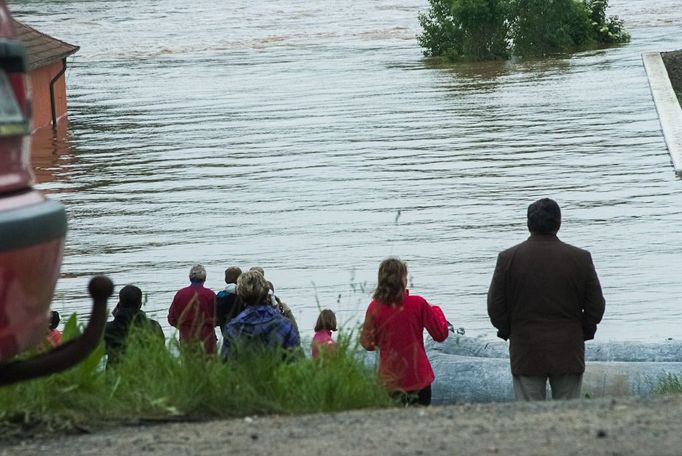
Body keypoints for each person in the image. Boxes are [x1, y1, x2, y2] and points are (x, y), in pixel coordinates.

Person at [487, 198, 606, 401]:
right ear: (558, 223)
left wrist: (511, 330)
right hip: (568, 349)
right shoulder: (580, 258)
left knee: (531, 420)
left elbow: (495, 308)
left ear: (528, 224)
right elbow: (596, 306)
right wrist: (581, 330)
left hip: (526, 349)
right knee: (569, 417)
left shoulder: (508, 258)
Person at [360, 257, 449, 406]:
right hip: (418, 377)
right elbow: (440, 334)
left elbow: (367, 344)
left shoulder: (374, 308)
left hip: (390, 379)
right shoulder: (418, 303)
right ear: (403, 280)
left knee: (395, 422)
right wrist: (435, 309)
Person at [221, 270, 300, 360]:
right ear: (267, 292)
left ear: (240, 294)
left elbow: (226, 362)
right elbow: (296, 357)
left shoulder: (233, 327)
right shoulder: (284, 324)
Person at [104, 284, 165, 367]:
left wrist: (118, 316)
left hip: (116, 375)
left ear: (119, 305)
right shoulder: (153, 326)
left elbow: (98, 352)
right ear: (140, 305)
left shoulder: (108, 329)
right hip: (147, 374)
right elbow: (160, 348)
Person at [168, 264, 218, 353]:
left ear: (190, 277)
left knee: (189, 365)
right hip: (207, 337)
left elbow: (172, 319)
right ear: (204, 278)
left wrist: (183, 327)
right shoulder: (210, 294)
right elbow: (218, 317)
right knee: (210, 364)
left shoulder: (180, 294)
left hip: (186, 337)